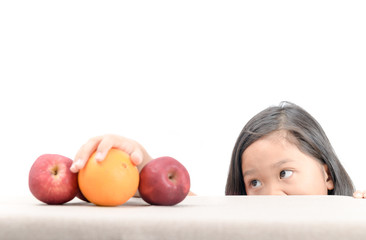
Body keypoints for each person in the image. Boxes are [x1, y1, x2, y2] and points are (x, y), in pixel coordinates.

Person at [70, 102, 365, 199]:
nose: (270, 195)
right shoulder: (245, 226)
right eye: (255, 183)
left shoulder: (354, 215)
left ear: (327, 175)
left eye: (285, 173)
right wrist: (146, 170)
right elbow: (194, 211)